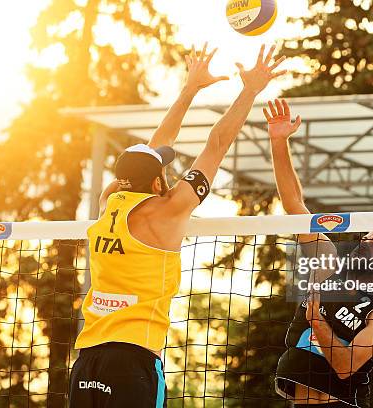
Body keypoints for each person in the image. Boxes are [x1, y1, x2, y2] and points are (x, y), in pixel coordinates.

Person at [68, 44, 287, 408]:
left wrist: (190, 89)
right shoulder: (167, 209)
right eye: (163, 171)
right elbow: (216, 144)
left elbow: (153, 151)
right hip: (133, 360)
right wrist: (250, 90)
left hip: (88, 362)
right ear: (156, 181)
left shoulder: (108, 202)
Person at [263, 99, 373, 407]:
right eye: (365, 238)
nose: (365, 243)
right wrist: (278, 141)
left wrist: (317, 322)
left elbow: (345, 366)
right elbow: (295, 206)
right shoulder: (328, 266)